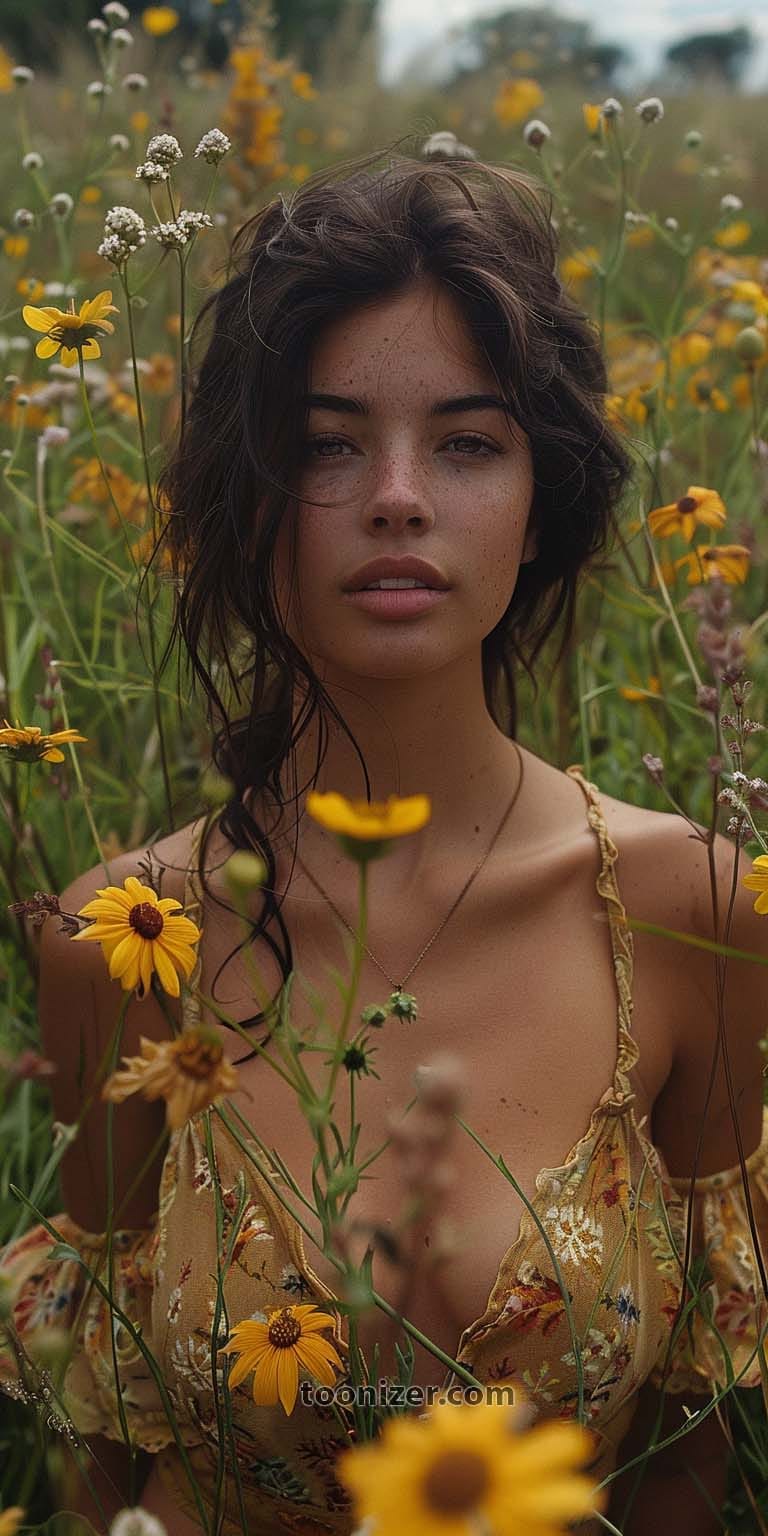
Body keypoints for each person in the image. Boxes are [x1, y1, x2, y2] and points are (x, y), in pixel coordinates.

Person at [1, 135, 767, 1536]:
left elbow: (694, 1454)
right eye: (324, 445)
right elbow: (90, 1438)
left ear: (543, 507)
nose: (397, 495)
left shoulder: (689, 908)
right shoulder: (121, 938)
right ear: (246, 500)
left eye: (467, 442)